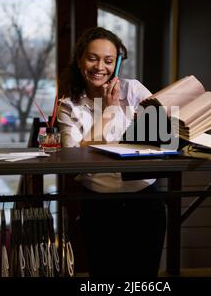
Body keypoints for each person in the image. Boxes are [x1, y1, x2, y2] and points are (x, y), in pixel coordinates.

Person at [57, 27, 166, 277]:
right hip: (99, 204)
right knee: (104, 276)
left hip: (145, 199)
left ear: (117, 64)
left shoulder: (135, 90)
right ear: (79, 60)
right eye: (92, 58)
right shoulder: (68, 106)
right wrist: (109, 111)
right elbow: (73, 158)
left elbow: (164, 131)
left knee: (144, 277)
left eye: (109, 61)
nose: (100, 67)